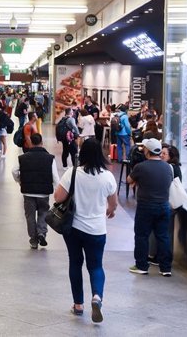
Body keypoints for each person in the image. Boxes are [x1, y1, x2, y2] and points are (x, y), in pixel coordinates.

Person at [54, 138, 118, 323]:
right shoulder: (107, 177)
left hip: (73, 228)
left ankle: (78, 305)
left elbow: (58, 197)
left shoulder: (72, 173)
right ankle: (97, 297)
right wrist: (109, 211)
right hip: (97, 230)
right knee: (95, 266)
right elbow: (113, 204)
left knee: (75, 263)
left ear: (82, 154)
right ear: (100, 154)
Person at [127, 138, 174, 277]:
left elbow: (129, 180)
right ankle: (165, 268)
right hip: (164, 206)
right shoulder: (168, 167)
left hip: (146, 206)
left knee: (142, 235)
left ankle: (141, 265)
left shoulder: (141, 167)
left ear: (147, 151)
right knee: (163, 236)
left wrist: (137, 180)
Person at [12, 133, 59, 249]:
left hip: (28, 192)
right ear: (41, 143)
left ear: (30, 143)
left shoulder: (23, 157)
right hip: (43, 193)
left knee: (30, 216)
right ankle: (42, 233)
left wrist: (20, 181)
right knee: (43, 212)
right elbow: (55, 177)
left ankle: (33, 240)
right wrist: (58, 192)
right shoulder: (49, 158)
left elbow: (14, 171)